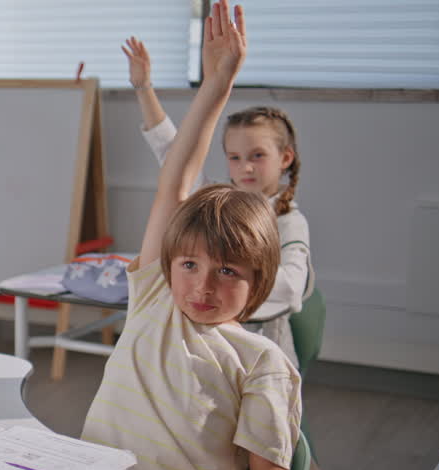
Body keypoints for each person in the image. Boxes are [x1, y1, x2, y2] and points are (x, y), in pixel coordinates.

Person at [0, 1, 302, 470]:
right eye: (190, 265)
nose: (202, 285)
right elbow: (175, 183)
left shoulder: (262, 359)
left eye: (228, 272)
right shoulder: (151, 295)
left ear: (259, 281)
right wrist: (216, 86)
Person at [122, 35, 311, 367]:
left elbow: (291, 289)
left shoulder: (289, 220)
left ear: (285, 157)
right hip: (211, 350)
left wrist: (235, 276)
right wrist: (144, 88)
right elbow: (174, 158)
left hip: (260, 350)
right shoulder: (217, 205)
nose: (246, 167)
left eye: (257, 155)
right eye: (235, 157)